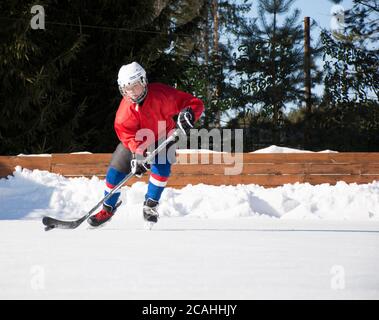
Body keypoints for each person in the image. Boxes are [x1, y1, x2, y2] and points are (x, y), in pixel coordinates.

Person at [88, 62, 204, 227]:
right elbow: (127, 136)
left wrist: (190, 113)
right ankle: (107, 208)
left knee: (162, 166)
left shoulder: (162, 95)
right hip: (136, 142)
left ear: (143, 82)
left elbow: (195, 103)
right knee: (115, 170)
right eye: (127, 89)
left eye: (135, 87)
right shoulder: (123, 114)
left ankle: (150, 205)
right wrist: (138, 154)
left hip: (164, 135)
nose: (132, 93)